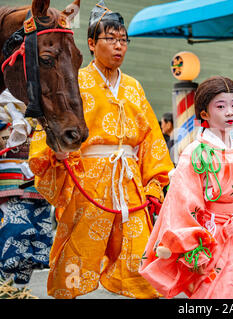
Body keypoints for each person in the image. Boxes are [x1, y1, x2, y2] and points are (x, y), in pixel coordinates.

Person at [28, 0, 173, 299]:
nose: (119, 46)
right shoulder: (74, 82)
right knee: (76, 259)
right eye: (111, 39)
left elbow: (151, 140)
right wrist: (55, 153)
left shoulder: (134, 86)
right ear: (92, 44)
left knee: (139, 256)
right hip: (87, 182)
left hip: (129, 183)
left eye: (123, 40)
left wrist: (154, 184)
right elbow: (52, 123)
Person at [139, 76, 233, 299]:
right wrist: (194, 248)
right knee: (219, 292)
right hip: (212, 239)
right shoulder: (194, 153)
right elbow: (181, 205)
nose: (230, 112)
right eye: (221, 106)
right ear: (204, 113)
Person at [0, 90, 53, 294]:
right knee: (14, 234)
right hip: (8, 184)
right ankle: (6, 288)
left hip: (36, 185)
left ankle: (20, 289)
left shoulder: (36, 107)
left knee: (37, 237)